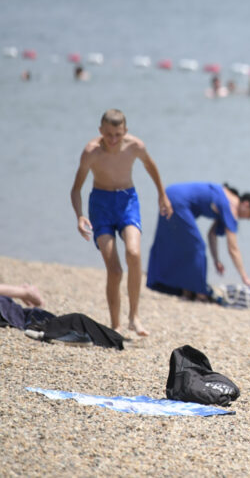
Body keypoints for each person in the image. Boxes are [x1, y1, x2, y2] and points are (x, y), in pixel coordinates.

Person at [70, 109, 172, 337]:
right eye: (108, 134)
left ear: (125, 131)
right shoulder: (91, 152)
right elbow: (76, 188)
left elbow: (150, 166)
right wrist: (79, 215)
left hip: (127, 201)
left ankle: (134, 317)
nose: (113, 140)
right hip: (101, 205)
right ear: (100, 131)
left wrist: (161, 195)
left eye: (117, 134)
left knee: (134, 254)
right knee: (114, 270)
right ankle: (115, 325)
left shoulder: (135, 146)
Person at [146, 182, 250, 299]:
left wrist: (216, 260)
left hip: (170, 194)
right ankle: (199, 292)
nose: (249, 219)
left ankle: (178, 287)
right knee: (198, 246)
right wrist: (245, 277)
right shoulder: (231, 207)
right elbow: (233, 249)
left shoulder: (227, 199)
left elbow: (212, 234)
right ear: (246, 204)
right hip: (177, 201)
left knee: (174, 243)